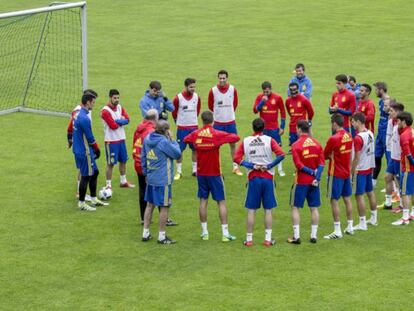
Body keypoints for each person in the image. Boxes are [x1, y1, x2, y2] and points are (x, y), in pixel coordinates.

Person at [184, 111, 240, 242]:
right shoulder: (216, 134)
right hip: (215, 174)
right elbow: (235, 138)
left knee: (203, 201)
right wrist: (220, 141)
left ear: (202, 120)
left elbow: (187, 139)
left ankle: (204, 233)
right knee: (221, 202)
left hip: (201, 174)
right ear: (213, 120)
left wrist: (198, 144)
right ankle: (225, 234)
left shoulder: (196, 134)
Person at [233, 118, 285, 247]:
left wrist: (250, 165)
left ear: (253, 127)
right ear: (264, 127)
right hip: (267, 178)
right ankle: (267, 239)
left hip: (253, 178)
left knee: (251, 210)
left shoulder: (246, 141)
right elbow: (281, 154)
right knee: (268, 210)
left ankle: (249, 240)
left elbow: (236, 158)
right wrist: (269, 165)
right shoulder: (269, 140)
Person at [132, 110, 178, 226]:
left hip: (140, 162)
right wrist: (171, 140)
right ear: (155, 118)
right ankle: (164, 221)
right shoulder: (152, 132)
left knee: (144, 192)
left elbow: (136, 145)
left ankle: (144, 219)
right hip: (153, 167)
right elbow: (175, 153)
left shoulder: (139, 128)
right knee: (160, 198)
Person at [141, 120, 181, 244]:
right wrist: (172, 140)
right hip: (163, 179)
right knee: (164, 206)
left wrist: (146, 173)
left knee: (150, 205)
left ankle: (145, 233)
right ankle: (162, 236)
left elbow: (143, 156)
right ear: (165, 131)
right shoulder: (163, 142)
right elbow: (177, 154)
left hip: (151, 177)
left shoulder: (147, 138)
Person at [287, 120, 324, 244]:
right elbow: (322, 164)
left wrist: (311, 172)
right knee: (314, 208)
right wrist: (316, 177)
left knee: (295, 207)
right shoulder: (317, 144)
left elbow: (299, 165)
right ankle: (313, 236)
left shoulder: (296, 145)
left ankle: (296, 237)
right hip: (314, 182)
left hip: (301, 181)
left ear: (298, 129)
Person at [72, 93, 108, 211]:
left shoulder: (78, 114)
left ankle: (93, 198)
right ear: (88, 102)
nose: (94, 104)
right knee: (86, 176)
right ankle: (82, 203)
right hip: (84, 151)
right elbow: (90, 137)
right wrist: (97, 149)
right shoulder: (84, 118)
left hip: (79, 149)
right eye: (93, 102)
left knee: (95, 172)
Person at [323, 114, 354, 239]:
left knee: (334, 200)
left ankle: (337, 230)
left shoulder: (334, 138)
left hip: (335, 173)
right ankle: (350, 226)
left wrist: (330, 156)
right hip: (346, 172)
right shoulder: (349, 135)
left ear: (334, 123)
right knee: (347, 199)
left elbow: (325, 155)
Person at [208, 70, 242, 176]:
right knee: (215, 147)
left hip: (230, 122)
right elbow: (210, 106)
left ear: (227, 78)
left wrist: (228, 114)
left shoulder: (232, 89)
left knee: (233, 144)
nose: (222, 80)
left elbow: (235, 104)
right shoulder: (213, 91)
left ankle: (235, 167)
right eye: (220, 78)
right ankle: (217, 168)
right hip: (218, 123)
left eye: (224, 78)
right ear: (218, 78)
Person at [67, 89, 98, 200]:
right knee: (83, 170)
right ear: (87, 100)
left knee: (84, 169)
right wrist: (70, 140)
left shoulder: (83, 111)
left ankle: (81, 193)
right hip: (82, 145)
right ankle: (80, 194)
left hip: (80, 144)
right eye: (93, 101)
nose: (94, 104)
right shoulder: (79, 112)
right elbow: (71, 127)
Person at [101, 89, 135, 190]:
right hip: (111, 141)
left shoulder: (120, 107)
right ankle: (108, 185)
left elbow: (128, 119)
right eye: (115, 98)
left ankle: (123, 181)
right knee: (111, 163)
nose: (117, 100)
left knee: (123, 160)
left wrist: (118, 121)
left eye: (118, 98)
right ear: (110, 97)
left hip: (121, 139)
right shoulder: (105, 111)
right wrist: (121, 121)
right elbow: (113, 126)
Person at [351, 112, 378, 231]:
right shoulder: (370, 133)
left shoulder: (358, 138)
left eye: (353, 121)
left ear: (358, 122)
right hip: (369, 167)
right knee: (370, 192)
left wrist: (352, 170)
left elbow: (356, 157)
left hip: (360, 169)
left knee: (359, 195)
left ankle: (362, 223)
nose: (351, 124)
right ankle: (374, 218)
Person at [253, 81, 286, 176]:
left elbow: (283, 113)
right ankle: (266, 167)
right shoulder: (260, 97)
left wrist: (282, 127)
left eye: (267, 91)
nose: (266, 93)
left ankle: (280, 169)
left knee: (278, 148)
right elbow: (255, 110)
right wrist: (262, 101)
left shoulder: (278, 98)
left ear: (271, 89)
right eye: (264, 92)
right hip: (263, 129)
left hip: (274, 128)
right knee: (264, 148)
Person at [172, 78, 201, 180]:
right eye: (191, 87)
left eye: (194, 87)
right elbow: (174, 112)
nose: (193, 89)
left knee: (195, 149)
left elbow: (197, 110)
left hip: (194, 127)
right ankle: (179, 172)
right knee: (179, 150)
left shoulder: (197, 97)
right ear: (186, 87)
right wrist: (179, 122)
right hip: (182, 128)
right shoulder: (178, 98)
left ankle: (195, 170)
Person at [380, 102, 404, 211]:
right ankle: (388, 203)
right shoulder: (391, 121)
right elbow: (389, 140)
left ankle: (403, 205)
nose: (389, 113)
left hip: (399, 158)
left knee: (400, 182)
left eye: (391, 111)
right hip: (392, 156)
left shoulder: (402, 125)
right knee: (388, 177)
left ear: (398, 112)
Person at [392, 112, 414, 225]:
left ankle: (405, 218)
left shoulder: (404, 135)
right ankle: (413, 213)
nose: (397, 123)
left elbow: (408, 154)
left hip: (408, 169)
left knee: (405, 192)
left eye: (399, 121)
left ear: (404, 121)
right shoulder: (412, 131)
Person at [372, 82, 391, 187]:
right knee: (377, 156)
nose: (375, 91)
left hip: (387, 134)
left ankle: (391, 185)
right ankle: (373, 181)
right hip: (380, 132)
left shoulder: (389, 102)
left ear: (381, 90)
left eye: (376, 89)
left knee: (389, 159)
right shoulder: (381, 101)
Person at [285, 82, 314, 147]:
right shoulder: (288, 101)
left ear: (298, 89)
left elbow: (311, 112)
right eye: (291, 90)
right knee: (293, 147)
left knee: (302, 147)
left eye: (295, 89)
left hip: (302, 128)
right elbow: (290, 113)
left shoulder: (304, 99)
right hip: (292, 127)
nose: (293, 91)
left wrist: (309, 121)